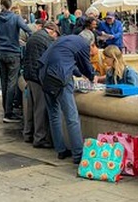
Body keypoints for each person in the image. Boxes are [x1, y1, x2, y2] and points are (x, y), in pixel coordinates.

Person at [38, 34, 95, 164]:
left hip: (44, 74)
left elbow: (67, 61)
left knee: (54, 114)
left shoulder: (66, 39)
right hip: (60, 77)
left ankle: (60, 150)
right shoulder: (84, 45)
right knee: (72, 118)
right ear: (92, 44)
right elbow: (86, 65)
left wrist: (79, 74)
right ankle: (78, 154)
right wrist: (92, 76)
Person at [0, 0, 33, 123]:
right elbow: (28, 30)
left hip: (1, 52)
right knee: (12, 82)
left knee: (4, 82)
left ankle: (5, 109)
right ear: (10, 6)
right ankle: (9, 113)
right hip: (13, 52)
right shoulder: (16, 18)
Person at [22, 20, 59, 148]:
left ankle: (28, 134)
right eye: (56, 35)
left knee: (30, 107)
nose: (56, 38)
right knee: (40, 109)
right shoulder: (46, 39)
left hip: (29, 75)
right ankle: (40, 138)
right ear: (52, 31)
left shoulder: (34, 36)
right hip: (38, 77)